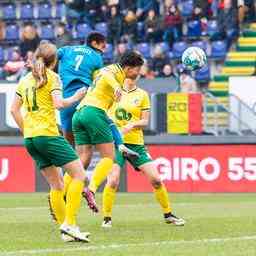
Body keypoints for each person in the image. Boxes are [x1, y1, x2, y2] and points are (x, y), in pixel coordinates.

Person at [10, 42, 89, 242]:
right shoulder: (52, 77)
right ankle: (70, 224)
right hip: (48, 135)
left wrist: (27, 130)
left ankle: (66, 230)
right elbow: (59, 104)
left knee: (57, 184)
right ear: (55, 61)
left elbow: (13, 110)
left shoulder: (25, 79)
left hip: (31, 139)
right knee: (79, 174)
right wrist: (77, 96)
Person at [101, 78, 185, 227]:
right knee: (113, 180)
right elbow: (102, 114)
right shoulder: (113, 92)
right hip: (115, 143)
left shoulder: (142, 95)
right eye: (131, 71)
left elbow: (145, 122)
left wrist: (131, 125)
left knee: (156, 180)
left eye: (137, 72)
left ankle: (168, 214)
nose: (133, 75)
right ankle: (107, 218)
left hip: (136, 144)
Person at [72, 51, 144, 212]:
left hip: (79, 114)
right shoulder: (114, 72)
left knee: (80, 161)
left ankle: (63, 191)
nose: (139, 73)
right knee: (108, 158)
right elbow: (104, 72)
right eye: (137, 69)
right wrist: (117, 86)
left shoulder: (114, 82)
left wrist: (121, 144)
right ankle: (90, 189)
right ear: (128, 68)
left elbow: (108, 119)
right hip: (93, 112)